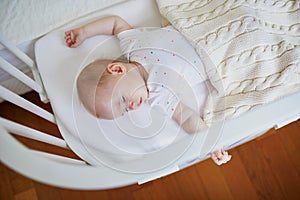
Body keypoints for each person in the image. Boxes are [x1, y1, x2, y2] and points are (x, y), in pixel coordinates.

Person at [65, 15, 231, 164]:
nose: (131, 106)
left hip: (200, 22)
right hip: (221, 50)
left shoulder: (132, 45)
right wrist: (212, 144)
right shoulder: (158, 95)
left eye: (123, 100)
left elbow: (115, 23)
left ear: (117, 69)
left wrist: (84, 32)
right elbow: (187, 118)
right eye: (124, 111)